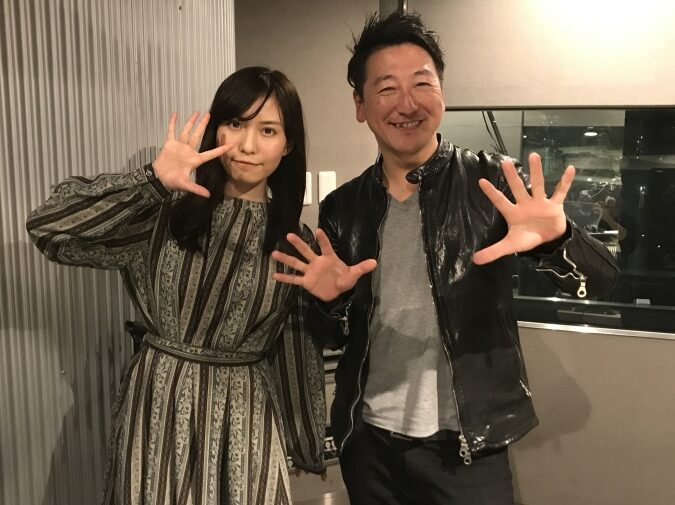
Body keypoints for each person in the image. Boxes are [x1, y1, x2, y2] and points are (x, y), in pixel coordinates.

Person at [271, 13, 619, 505]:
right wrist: (330, 303)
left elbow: (601, 282)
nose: (407, 104)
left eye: (422, 83)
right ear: (360, 105)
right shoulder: (343, 208)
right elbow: (334, 339)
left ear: (442, 91)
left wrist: (556, 240)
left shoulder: (492, 183)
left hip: (467, 449)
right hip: (369, 445)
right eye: (387, 88)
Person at [26, 66, 325, 505]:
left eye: (268, 130)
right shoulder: (166, 214)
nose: (247, 145)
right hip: (160, 405)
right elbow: (49, 228)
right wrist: (150, 182)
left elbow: (295, 347)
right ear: (216, 127)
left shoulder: (294, 240)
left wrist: (305, 442)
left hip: (246, 416)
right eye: (235, 123)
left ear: (289, 143)